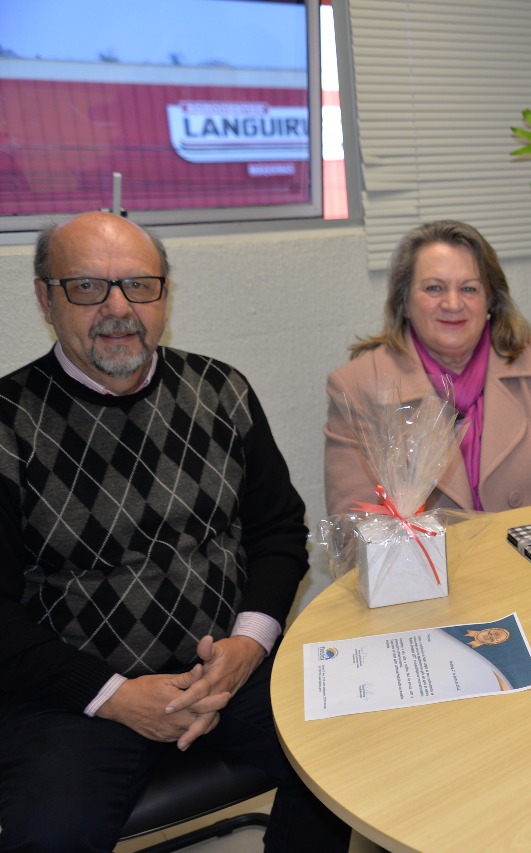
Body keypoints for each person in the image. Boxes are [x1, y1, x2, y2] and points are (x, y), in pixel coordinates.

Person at [0, 212, 350, 850]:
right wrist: (113, 695)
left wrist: (248, 647)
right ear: (46, 299)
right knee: (49, 836)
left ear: (165, 295)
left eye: (139, 285)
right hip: (75, 699)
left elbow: (277, 532)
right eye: (87, 287)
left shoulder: (222, 391)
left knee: (352, 758)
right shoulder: (7, 423)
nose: (118, 308)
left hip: (228, 673)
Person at [324, 219, 531, 516]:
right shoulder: (357, 387)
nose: (453, 304)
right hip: (428, 550)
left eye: (469, 289)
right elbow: (355, 523)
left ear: (490, 300)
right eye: (434, 288)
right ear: (404, 301)